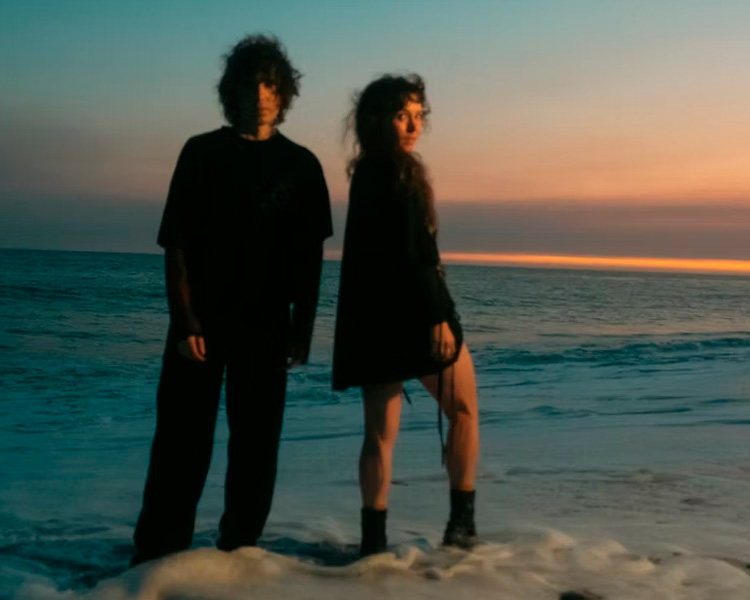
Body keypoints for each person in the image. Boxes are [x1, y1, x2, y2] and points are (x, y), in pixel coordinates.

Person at [131, 34, 333, 566]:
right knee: (180, 443)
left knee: (256, 446)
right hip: (201, 324)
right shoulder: (201, 153)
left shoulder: (302, 166)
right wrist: (185, 321)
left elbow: (310, 261)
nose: (261, 94)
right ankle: (154, 561)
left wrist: (303, 330)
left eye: (270, 84)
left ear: (283, 93)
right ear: (233, 90)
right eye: (251, 83)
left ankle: (240, 557)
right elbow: (175, 245)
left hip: (266, 326)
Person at [332, 74, 480, 555]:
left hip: (373, 323)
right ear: (377, 119)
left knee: (379, 435)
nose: (414, 126)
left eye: (418, 116)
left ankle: (372, 545)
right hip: (418, 317)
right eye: (402, 116)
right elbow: (417, 254)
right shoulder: (400, 172)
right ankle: (461, 531)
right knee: (464, 411)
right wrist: (437, 317)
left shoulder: (366, 172)